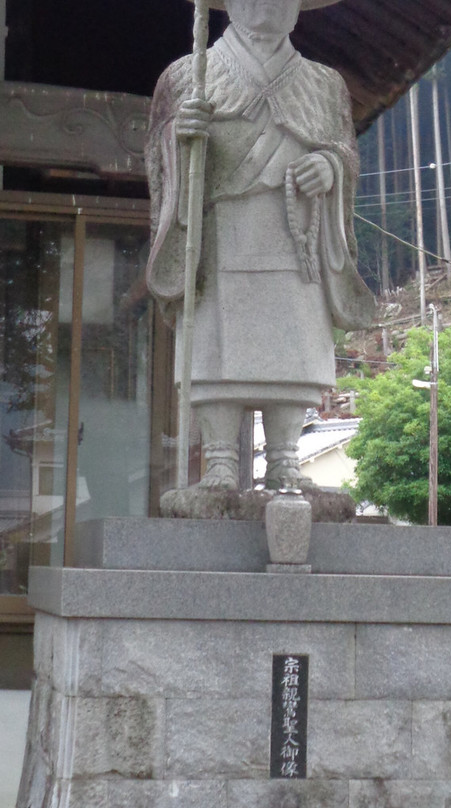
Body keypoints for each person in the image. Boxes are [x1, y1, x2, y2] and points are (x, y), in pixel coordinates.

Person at [146, 0, 374, 491]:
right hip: (221, 237)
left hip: (296, 240)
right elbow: (160, 151)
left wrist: (331, 170)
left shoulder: (323, 83)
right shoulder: (190, 75)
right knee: (215, 348)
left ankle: (286, 457)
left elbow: (344, 154)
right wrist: (179, 138)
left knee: (292, 345)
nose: (268, 4)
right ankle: (221, 459)